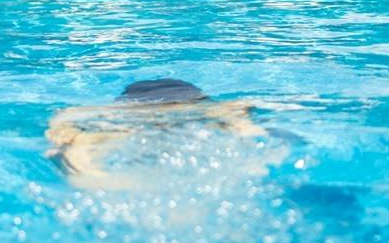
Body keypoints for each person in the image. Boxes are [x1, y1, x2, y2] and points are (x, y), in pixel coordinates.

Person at [45, 80, 276, 191]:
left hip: (132, 116)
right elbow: (245, 110)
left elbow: (65, 116)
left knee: (86, 144)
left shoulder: (104, 114)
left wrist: (64, 133)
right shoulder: (221, 107)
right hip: (196, 110)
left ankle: (88, 176)